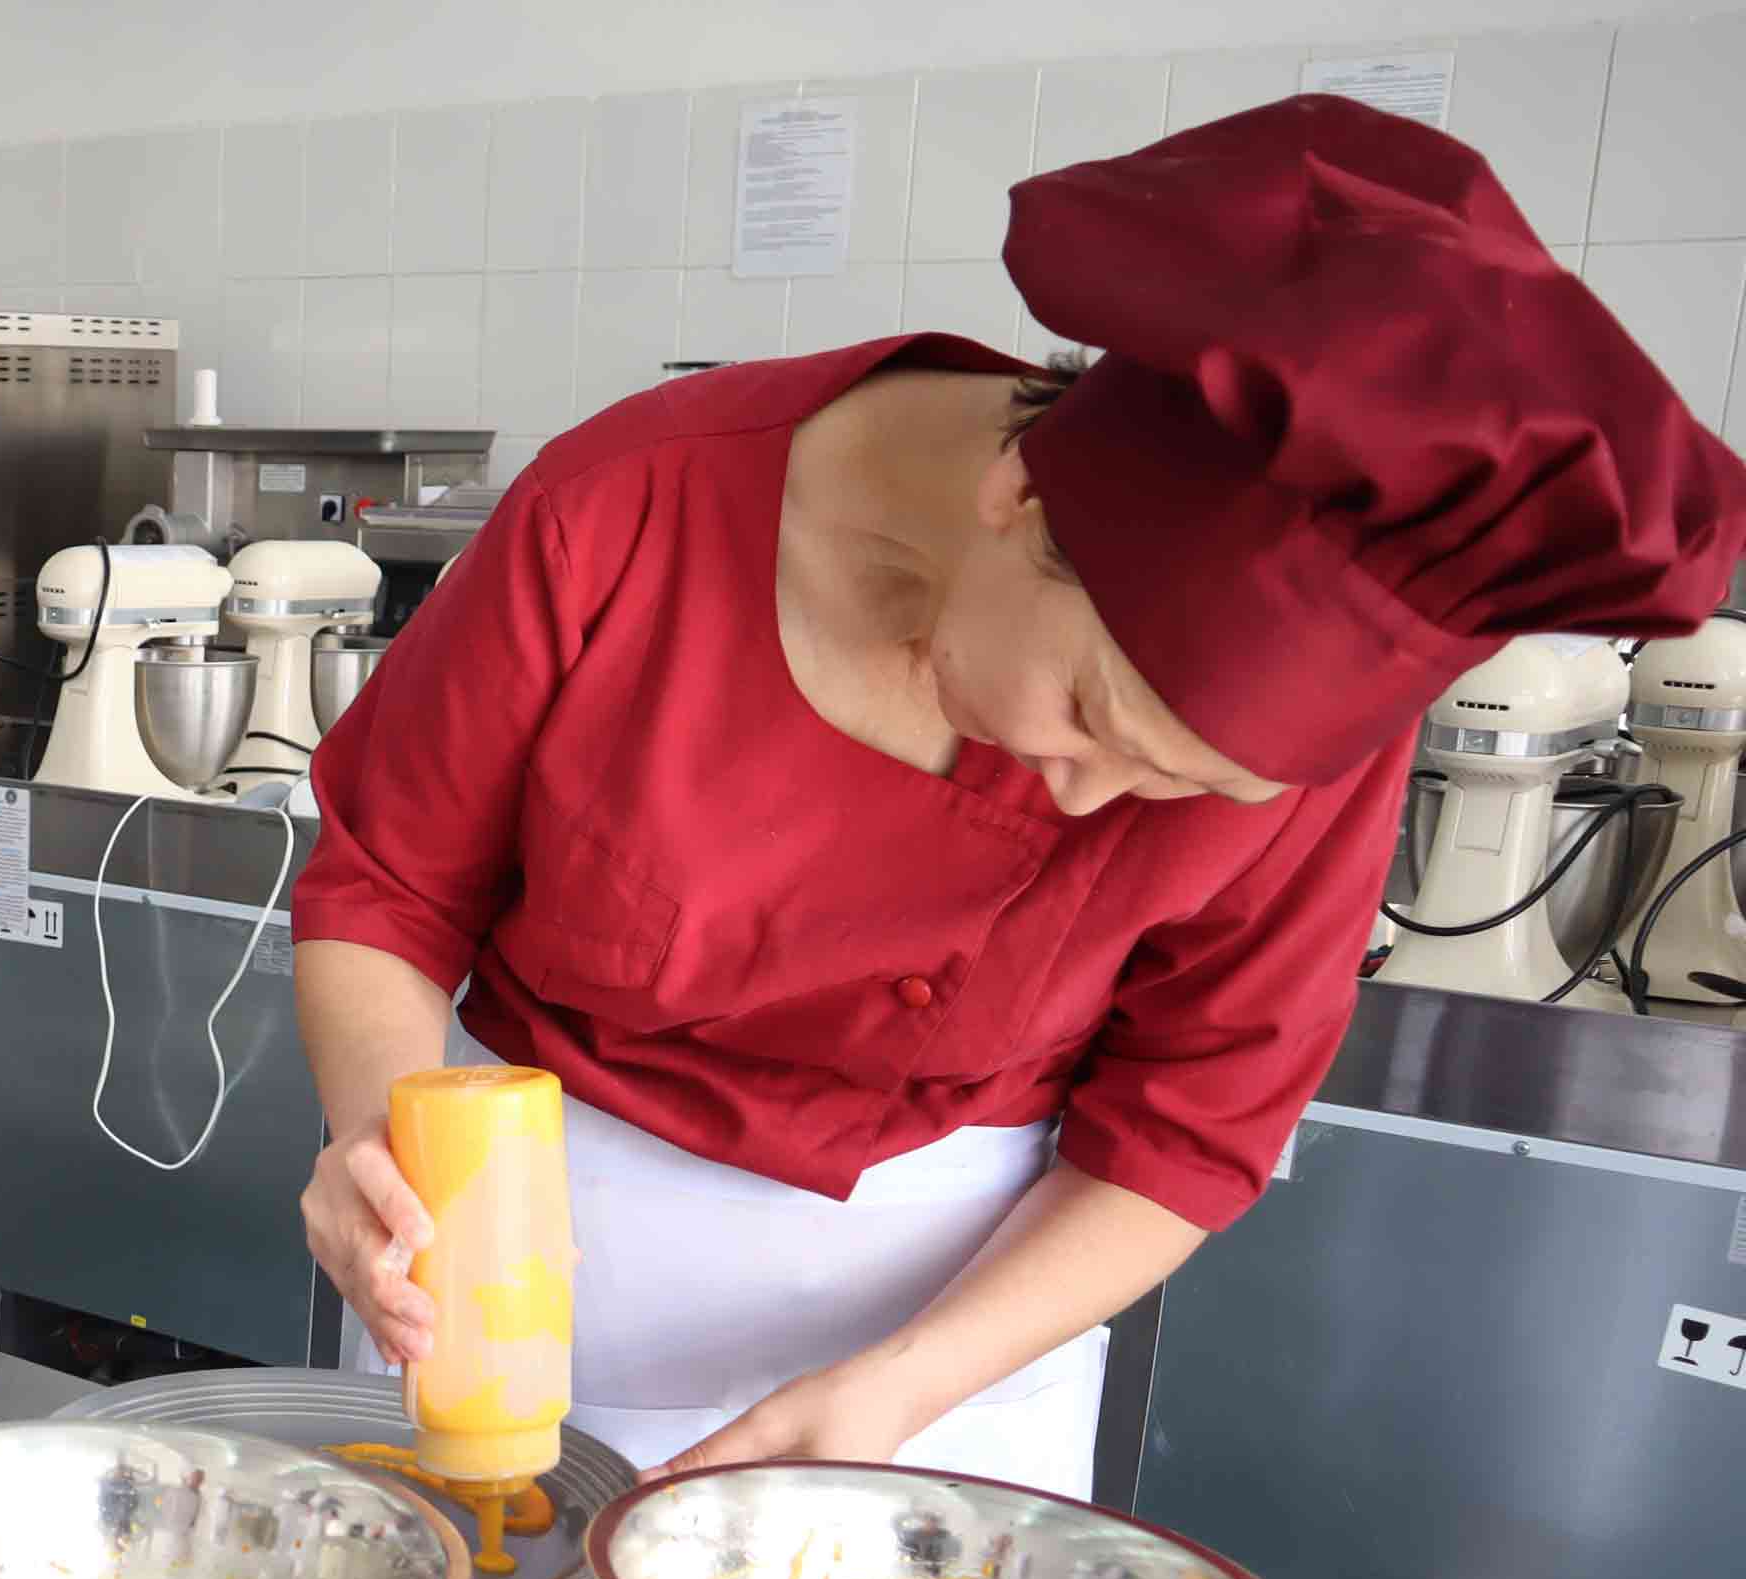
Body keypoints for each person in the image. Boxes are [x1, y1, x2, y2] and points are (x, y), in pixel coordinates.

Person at [290, 98, 1746, 1494]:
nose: (1102, 804)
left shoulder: (1313, 734)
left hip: (962, 1350)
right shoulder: (626, 510)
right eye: (1097, 719)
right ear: (1021, 497)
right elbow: (391, 888)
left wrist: (905, 1387)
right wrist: (376, 1145)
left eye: (1193, 786)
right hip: (511, 1287)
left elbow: (1195, 1119)